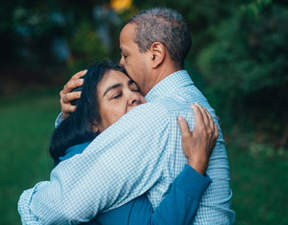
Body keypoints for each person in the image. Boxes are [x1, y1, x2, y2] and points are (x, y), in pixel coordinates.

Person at [19, 7, 235, 224]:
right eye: (116, 94)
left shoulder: (156, 115)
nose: (121, 63)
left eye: (126, 54)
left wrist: (28, 201)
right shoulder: (191, 101)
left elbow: (66, 204)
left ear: (155, 54)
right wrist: (74, 117)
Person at [46, 60, 216, 225]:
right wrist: (196, 164)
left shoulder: (97, 147)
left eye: (135, 88)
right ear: (92, 123)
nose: (134, 96)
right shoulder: (106, 167)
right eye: (116, 95)